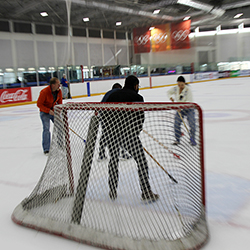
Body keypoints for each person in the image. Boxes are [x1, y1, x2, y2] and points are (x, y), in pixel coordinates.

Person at [104, 75, 159, 202]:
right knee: (141, 161)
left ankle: (112, 190)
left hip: (112, 135)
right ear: (135, 85)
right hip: (129, 136)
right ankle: (145, 191)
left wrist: (109, 132)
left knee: (113, 160)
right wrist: (134, 134)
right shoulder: (138, 98)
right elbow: (140, 120)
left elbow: (105, 115)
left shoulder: (113, 96)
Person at [98, 83, 132, 161]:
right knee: (121, 135)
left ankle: (101, 154)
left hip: (105, 117)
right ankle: (123, 153)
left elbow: (100, 105)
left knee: (105, 135)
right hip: (114, 117)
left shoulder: (107, 94)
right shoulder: (119, 93)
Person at [167, 75, 196, 146]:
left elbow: (189, 101)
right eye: (178, 84)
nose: (180, 86)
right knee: (176, 123)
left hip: (189, 109)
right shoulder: (175, 88)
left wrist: (181, 107)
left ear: (184, 83)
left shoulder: (188, 90)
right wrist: (171, 97)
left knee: (192, 124)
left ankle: (192, 139)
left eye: (182, 85)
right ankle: (177, 139)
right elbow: (168, 92)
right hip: (180, 109)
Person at [37, 77, 62, 155]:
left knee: (61, 126)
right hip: (44, 112)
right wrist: (48, 111)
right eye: (58, 84)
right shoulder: (44, 92)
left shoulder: (59, 91)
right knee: (46, 129)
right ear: (53, 85)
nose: (59, 85)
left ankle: (61, 144)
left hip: (53, 111)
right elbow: (39, 104)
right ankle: (46, 149)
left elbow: (60, 103)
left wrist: (58, 111)